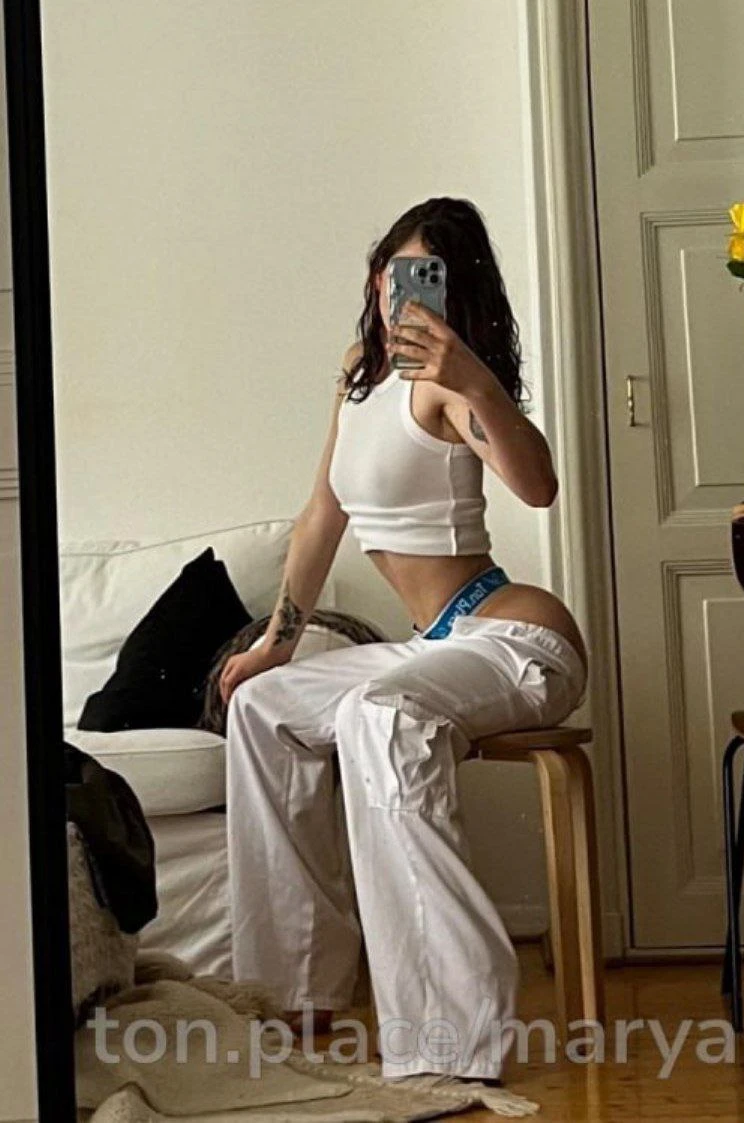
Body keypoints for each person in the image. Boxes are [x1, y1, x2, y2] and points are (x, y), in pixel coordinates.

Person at [220, 197, 589, 1084]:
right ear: (375, 277)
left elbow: (538, 486)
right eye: (392, 273)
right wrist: (277, 644)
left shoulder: (451, 384)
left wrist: (475, 380)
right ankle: (296, 992)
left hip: (516, 640)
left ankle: (451, 1040)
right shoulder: (360, 376)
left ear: (455, 294)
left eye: (423, 277)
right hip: (431, 647)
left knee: (379, 716)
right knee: (263, 707)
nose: (399, 296)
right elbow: (322, 514)